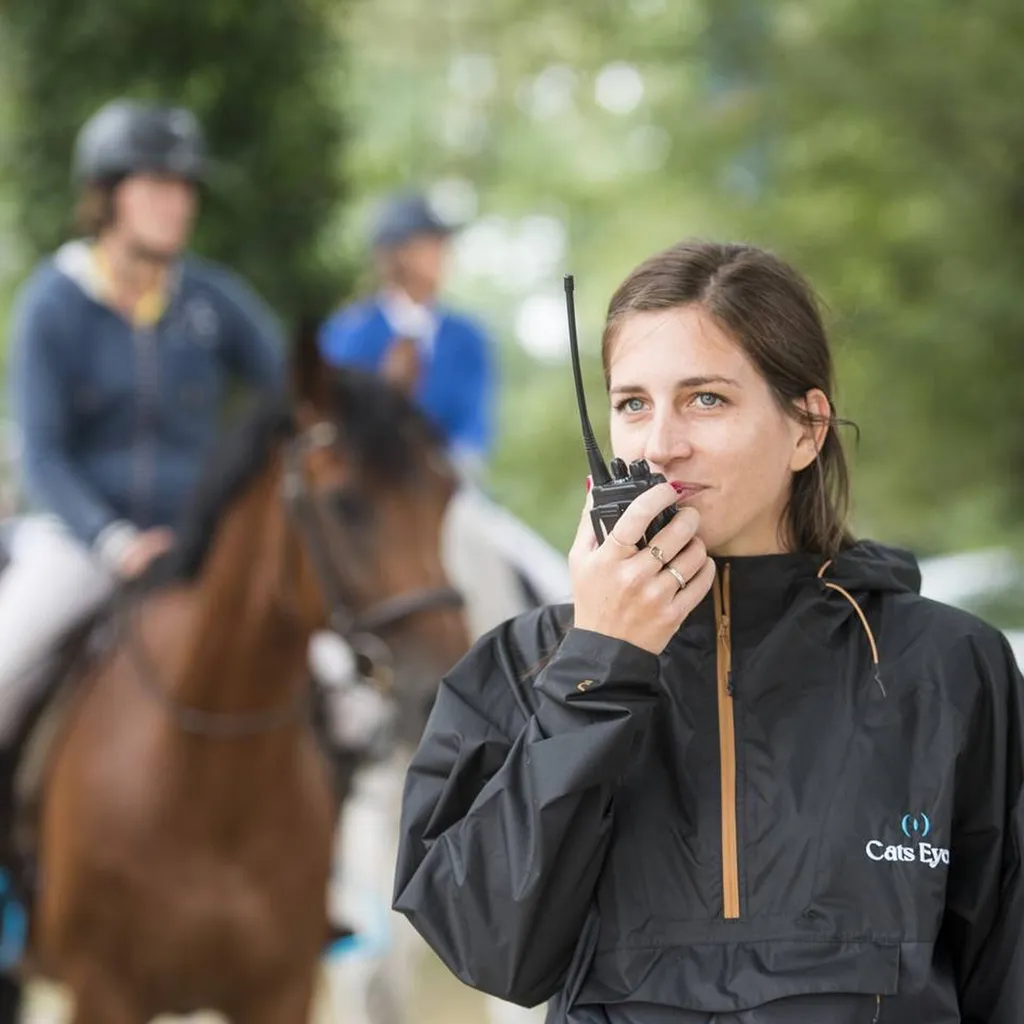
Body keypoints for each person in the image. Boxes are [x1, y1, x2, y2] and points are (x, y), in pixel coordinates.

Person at [393, 240, 1024, 1022]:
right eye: (632, 404)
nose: (661, 445)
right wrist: (600, 665)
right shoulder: (521, 670)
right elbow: (491, 951)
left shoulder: (950, 666)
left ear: (807, 429)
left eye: (706, 400)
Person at [318, 190, 496, 481]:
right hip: (364, 483)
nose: (442, 253)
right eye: (429, 243)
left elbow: (473, 429)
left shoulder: (468, 338)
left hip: (445, 484)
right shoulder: (348, 333)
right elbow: (333, 420)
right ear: (397, 253)